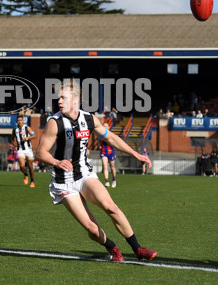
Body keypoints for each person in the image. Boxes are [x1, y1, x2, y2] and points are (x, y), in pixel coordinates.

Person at [35, 80, 157, 262]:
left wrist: (135, 154)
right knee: (92, 229)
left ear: (75, 100)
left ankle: (138, 249)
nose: (59, 101)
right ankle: (112, 247)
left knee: (110, 206)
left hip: (84, 174)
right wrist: (56, 161)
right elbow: (40, 153)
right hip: (64, 181)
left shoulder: (89, 119)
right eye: (58, 97)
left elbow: (112, 139)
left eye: (63, 97)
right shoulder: (55, 122)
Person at [12, 115, 36, 187]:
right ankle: (25, 175)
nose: (19, 122)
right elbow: (12, 139)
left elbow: (34, 135)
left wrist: (28, 138)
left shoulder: (27, 128)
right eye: (18, 120)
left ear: (23, 121)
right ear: (17, 121)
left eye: (21, 120)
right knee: (22, 165)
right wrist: (14, 143)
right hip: (20, 150)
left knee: (30, 166)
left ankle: (32, 181)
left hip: (28, 149)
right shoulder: (15, 130)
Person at [100, 122, 116, 187]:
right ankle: (106, 181)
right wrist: (99, 145)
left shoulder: (111, 134)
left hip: (111, 152)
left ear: (109, 127)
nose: (105, 127)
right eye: (104, 126)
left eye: (106, 126)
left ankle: (114, 180)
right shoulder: (100, 134)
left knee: (112, 167)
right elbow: (99, 140)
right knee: (105, 166)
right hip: (104, 152)